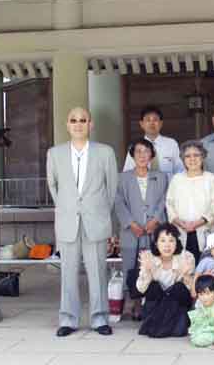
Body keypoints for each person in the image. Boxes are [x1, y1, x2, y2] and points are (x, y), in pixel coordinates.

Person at [46, 107, 118, 337]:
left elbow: (111, 188)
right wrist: (67, 207)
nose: (78, 124)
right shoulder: (54, 153)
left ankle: (100, 318)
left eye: (83, 120)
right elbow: (53, 185)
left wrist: (100, 211)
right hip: (68, 221)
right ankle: (68, 319)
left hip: (95, 221)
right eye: (73, 120)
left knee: (97, 272)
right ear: (67, 125)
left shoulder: (105, 152)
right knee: (68, 272)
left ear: (90, 124)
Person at [114, 138, 168, 320]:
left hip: (154, 230)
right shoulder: (122, 178)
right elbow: (118, 202)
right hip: (131, 231)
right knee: (131, 266)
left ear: (152, 155)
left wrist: (155, 220)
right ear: (132, 155)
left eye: (146, 151)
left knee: (154, 265)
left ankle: (152, 304)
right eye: (138, 151)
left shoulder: (161, 177)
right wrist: (131, 223)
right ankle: (133, 302)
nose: (142, 155)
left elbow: (164, 200)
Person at [166, 140, 214, 263]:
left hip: (204, 231)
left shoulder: (211, 179)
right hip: (181, 232)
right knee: (183, 268)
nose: (192, 159)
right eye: (188, 156)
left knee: (204, 267)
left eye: (196, 155)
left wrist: (197, 223)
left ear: (203, 157)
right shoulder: (177, 179)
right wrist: (181, 223)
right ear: (183, 159)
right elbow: (169, 205)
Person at [136, 223, 195, 338]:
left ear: (177, 242)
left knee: (179, 288)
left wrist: (186, 275)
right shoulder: (149, 256)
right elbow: (141, 289)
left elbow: (192, 292)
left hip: (177, 305)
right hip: (156, 304)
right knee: (154, 286)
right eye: (162, 241)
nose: (167, 245)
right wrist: (147, 270)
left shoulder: (186, 257)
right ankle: (169, 326)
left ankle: (157, 327)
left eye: (171, 240)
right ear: (156, 243)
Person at [123, 105, 184, 180]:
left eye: (155, 120)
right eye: (148, 120)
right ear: (141, 124)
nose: (152, 123)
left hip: (169, 186)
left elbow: (180, 170)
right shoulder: (134, 146)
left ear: (161, 123)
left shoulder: (171, 144)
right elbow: (127, 173)